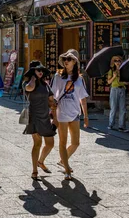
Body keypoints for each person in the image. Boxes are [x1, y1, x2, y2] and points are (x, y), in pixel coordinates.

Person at [50, 49, 89, 181]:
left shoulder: (79, 79)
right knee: (62, 141)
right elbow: (52, 94)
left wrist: (86, 116)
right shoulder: (58, 76)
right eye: (65, 59)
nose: (66, 61)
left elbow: (83, 98)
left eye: (69, 59)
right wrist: (52, 105)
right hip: (61, 112)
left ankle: (63, 159)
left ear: (74, 62)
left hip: (75, 113)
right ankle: (67, 169)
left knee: (75, 142)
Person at [22, 61, 56, 180]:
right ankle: (34, 170)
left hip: (45, 117)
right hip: (34, 117)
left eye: (42, 70)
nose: (40, 72)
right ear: (33, 71)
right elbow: (29, 88)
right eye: (37, 70)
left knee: (50, 143)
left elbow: (51, 99)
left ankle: (40, 161)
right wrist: (32, 77)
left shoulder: (46, 85)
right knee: (37, 143)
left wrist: (53, 104)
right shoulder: (28, 83)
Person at [107, 55, 128, 132]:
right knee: (114, 108)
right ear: (113, 62)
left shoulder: (124, 70)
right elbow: (108, 82)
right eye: (115, 61)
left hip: (122, 89)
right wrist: (114, 76)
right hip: (114, 89)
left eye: (119, 61)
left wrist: (122, 80)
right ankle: (111, 124)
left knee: (123, 108)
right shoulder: (111, 71)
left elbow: (127, 82)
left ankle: (121, 126)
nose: (117, 62)